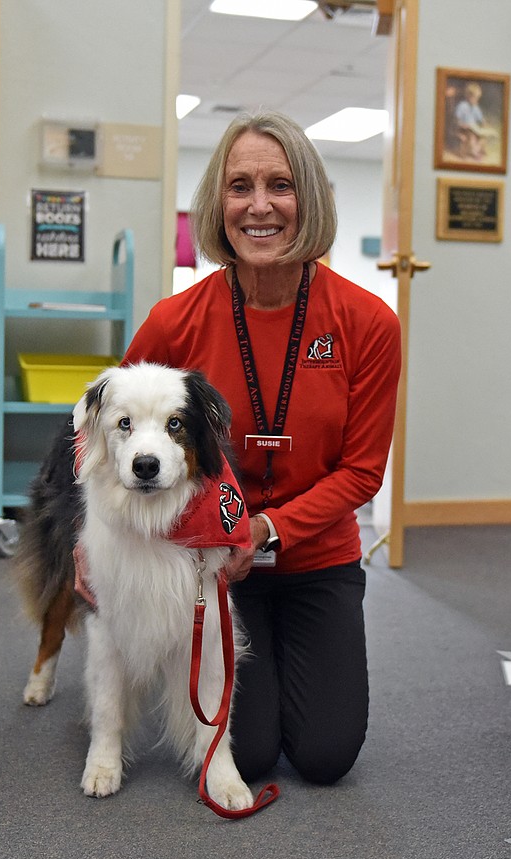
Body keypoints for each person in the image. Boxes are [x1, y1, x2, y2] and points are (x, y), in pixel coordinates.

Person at [122, 110, 402, 785]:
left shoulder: (368, 323)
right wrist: (87, 540)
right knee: (243, 754)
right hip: (211, 566)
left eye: (280, 185)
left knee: (325, 755)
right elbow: (106, 430)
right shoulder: (174, 321)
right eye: (239, 185)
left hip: (318, 560)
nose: (259, 206)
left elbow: (362, 472)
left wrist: (268, 527)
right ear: (218, 202)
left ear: (307, 197)